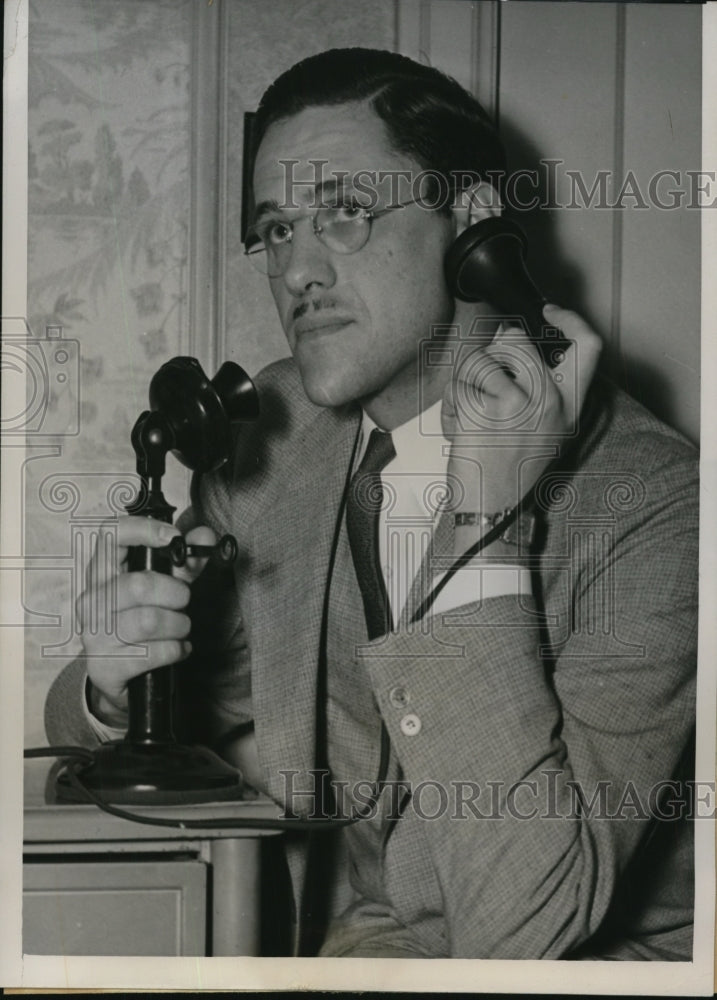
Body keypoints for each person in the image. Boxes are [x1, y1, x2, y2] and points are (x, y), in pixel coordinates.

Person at [45, 48, 698, 960]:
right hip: (337, 956)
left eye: (344, 213)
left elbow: (526, 933)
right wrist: (118, 690)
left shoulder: (657, 504)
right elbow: (196, 703)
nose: (297, 270)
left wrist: (484, 531)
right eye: (276, 229)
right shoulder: (272, 442)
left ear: (471, 222)